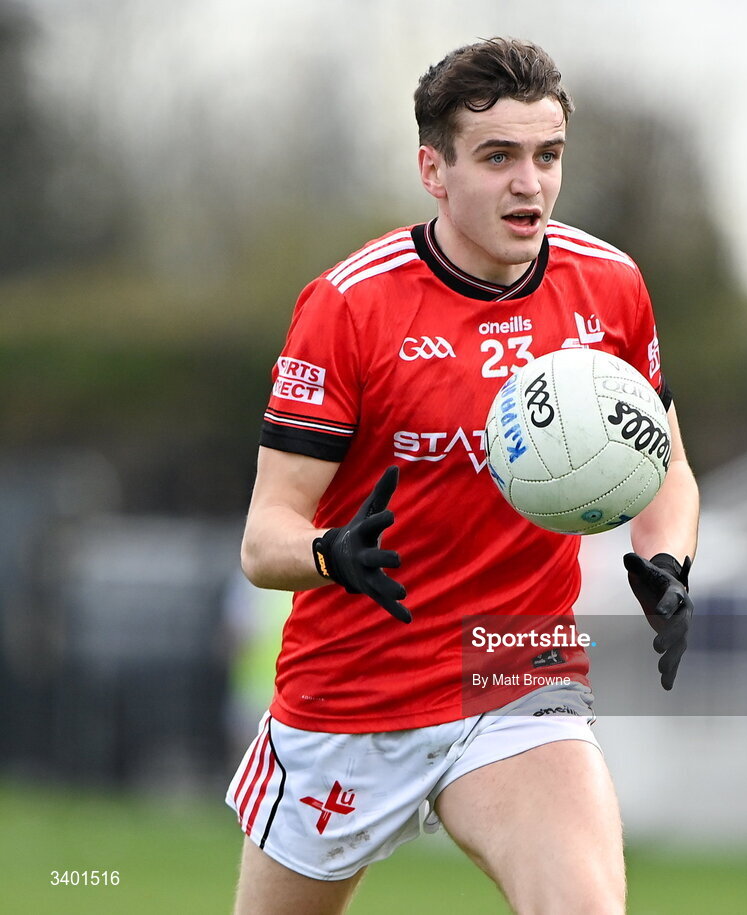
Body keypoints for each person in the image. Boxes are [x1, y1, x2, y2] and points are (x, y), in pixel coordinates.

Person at [226, 37, 700, 915]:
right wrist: (332, 552)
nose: (531, 184)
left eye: (547, 155)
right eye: (498, 157)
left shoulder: (609, 286)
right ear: (433, 170)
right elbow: (265, 538)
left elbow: (665, 465)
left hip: (512, 669)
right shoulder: (349, 306)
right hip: (353, 691)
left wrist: (667, 561)